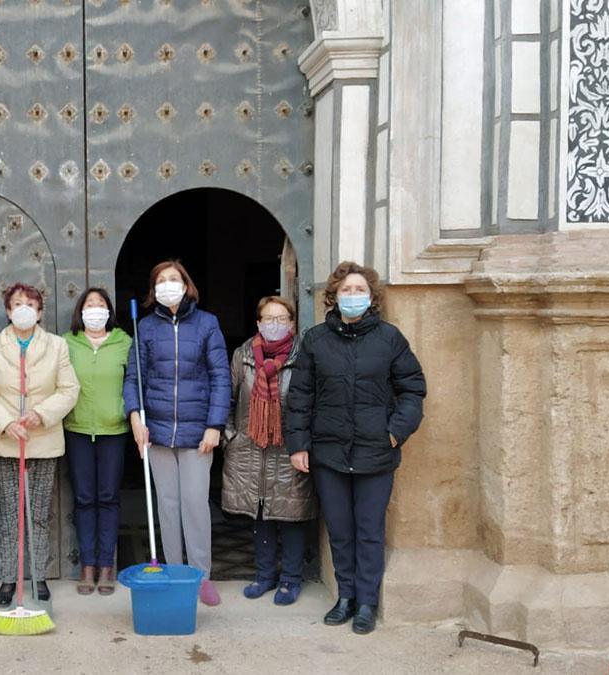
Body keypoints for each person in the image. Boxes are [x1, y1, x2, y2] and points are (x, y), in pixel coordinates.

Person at [283, 261, 427, 635]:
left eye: (359, 290)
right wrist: (299, 444)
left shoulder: (389, 339)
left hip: (375, 453)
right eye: (345, 290)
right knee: (340, 529)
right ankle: (345, 596)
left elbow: (412, 388)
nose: (352, 296)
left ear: (372, 297)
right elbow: (300, 396)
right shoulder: (315, 340)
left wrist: (395, 431)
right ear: (333, 297)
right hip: (328, 453)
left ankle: (366, 602)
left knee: (369, 530)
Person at [123, 260, 231, 607]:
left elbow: (220, 377)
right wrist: (135, 416)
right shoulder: (145, 327)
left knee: (195, 504)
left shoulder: (207, 324)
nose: (168, 285)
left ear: (186, 285)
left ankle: (201, 576)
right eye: (161, 281)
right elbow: (134, 379)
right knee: (167, 505)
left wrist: (215, 426)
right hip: (156, 432)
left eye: (174, 279)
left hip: (198, 431)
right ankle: (173, 570)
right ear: (153, 290)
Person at [0, 283, 80, 607]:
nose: (23, 309)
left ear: (40, 311)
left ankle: (39, 575)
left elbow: (68, 389)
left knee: (38, 513)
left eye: (30, 304)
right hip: (4, 443)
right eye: (17, 303)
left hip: (42, 442)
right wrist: (5, 423)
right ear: (7, 310)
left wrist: (40, 414)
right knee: (8, 515)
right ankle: (8, 577)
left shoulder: (56, 346)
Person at [222, 296, 317, 605]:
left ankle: (290, 579)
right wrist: (230, 436)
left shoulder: (304, 356)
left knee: (290, 513)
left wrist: (304, 443)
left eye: (281, 319)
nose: (274, 325)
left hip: (288, 448)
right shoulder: (243, 355)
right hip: (250, 448)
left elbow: (313, 403)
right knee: (260, 513)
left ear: (292, 323)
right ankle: (264, 575)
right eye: (268, 318)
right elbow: (228, 399)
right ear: (258, 323)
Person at [62, 288, 132, 595]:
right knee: (84, 498)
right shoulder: (66, 343)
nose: (95, 310)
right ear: (80, 311)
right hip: (77, 429)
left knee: (108, 497)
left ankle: (107, 566)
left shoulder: (124, 343)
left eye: (100, 304)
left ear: (109, 311)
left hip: (113, 431)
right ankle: (87, 566)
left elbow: (133, 384)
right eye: (89, 305)